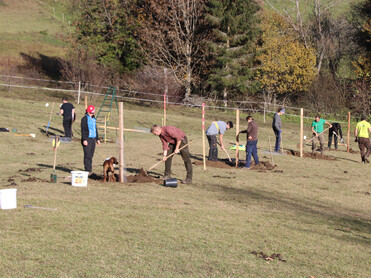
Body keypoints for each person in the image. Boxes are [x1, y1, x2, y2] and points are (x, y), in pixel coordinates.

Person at [81, 105, 100, 175]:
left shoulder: (94, 119)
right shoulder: (84, 119)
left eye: (93, 112)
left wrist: (97, 139)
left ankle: (90, 169)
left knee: (91, 155)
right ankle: (87, 170)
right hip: (87, 139)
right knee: (87, 155)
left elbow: (95, 129)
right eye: (91, 112)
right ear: (88, 112)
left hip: (92, 139)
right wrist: (84, 139)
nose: (93, 113)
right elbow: (83, 130)